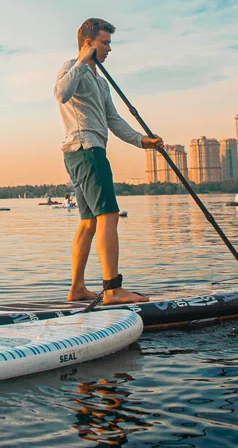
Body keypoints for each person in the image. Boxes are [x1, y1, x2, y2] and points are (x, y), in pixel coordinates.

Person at [55, 18, 164, 305]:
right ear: (88, 43)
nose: (109, 49)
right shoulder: (71, 68)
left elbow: (114, 120)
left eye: (109, 43)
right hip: (86, 150)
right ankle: (113, 290)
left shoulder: (101, 83)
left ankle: (77, 289)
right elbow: (61, 94)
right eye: (105, 43)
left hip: (86, 152)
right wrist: (81, 60)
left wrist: (143, 141)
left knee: (89, 222)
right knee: (109, 216)